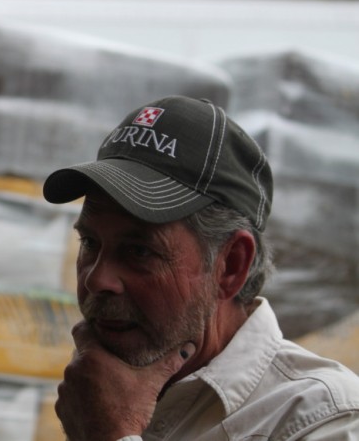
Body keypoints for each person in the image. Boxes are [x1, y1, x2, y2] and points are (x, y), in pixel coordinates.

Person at [42, 95, 359, 441]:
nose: (97, 278)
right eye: (89, 243)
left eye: (138, 251)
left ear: (231, 266)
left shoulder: (326, 420)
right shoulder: (96, 390)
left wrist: (110, 434)